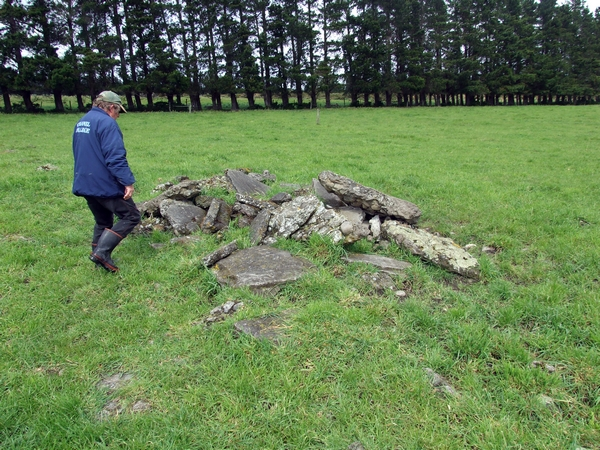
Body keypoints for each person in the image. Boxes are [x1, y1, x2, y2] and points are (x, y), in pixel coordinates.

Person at [72, 91, 140, 272]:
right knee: (131, 216)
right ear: (111, 107)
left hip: (84, 182)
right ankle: (102, 252)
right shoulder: (107, 123)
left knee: (103, 221)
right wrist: (127, 182)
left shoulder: (82, 122)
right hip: (103, 183)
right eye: (118, 112)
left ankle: (98, 259)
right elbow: (115, 157)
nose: (118, 117)